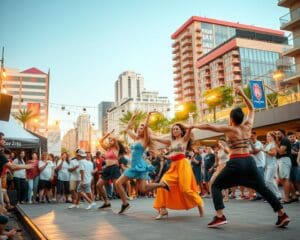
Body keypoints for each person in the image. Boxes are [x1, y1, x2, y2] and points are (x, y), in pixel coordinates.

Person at [192, 86, 290, 228]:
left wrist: (193, 125)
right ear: (242, 118)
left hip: (236, 161)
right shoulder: (247, 126)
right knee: (263, 188)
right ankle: (282, 214)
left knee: (216, 185)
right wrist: (242, 94)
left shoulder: (229, 129)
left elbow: (208, 126)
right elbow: (252, 109)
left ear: (231, 118)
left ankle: (220, 216)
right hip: (249, 161)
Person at [115, 111, 168, 214]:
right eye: (139, 127)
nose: (141, 129)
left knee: (142, 189)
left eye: (143, 128)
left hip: (140, 166)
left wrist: (148, 116)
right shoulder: (136, 138)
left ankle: (161, 185)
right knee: (120, 184)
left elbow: (146, 125)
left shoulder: (145, 139)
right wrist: (133, 117)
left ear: (146, 130)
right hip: (134, 166)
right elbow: (127, 129)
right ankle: (125, 204)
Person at [151, 123, 204, 220]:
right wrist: (149, 134)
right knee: (162, 185)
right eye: (173, 129)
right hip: (173, 166)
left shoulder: (184, 139)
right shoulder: (170, 141)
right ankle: (163, 210)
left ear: (181, 131)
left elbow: (189, 130)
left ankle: (199, 204)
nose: (175, 130)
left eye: (177, 129)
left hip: (183, 165)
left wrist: (190, 126)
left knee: (185, 189)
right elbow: (158, 139)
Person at [97, 129, 125, 210]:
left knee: (117, 186)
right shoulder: (107, 149)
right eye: (109, 141)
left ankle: (125, 203)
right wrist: (108, 133)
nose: (110, 142)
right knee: (98, 185)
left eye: (111, 141)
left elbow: (115, 139)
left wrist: (112, 135)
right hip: (107, 168)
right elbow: (100, 141)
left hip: (114, 168)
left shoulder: (116, 148)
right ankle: (107, 202)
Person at [263, 132, 281, 199]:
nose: (267, 137)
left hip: (272, 164)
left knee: (268, 180)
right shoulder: (268, 144)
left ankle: (276, 194)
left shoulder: (273, 144)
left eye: (269, 136)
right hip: (267, 165)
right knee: (270, 180)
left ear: (273, 137)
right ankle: (277, 195)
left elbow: (274, 153)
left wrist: (265, 151)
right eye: (267, 136)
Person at [275, 129, 292, 203]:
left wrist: (275, 145)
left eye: (278, 133)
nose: (277, 135)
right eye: (276, 134)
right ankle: (292, 196)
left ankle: (287, 198)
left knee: (285, 179)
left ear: (283, 133)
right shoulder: (281, 141)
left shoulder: (285, 140)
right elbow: (279, 151)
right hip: (281, 160)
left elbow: (281, 152)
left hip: (284, 160)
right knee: (283, 179)